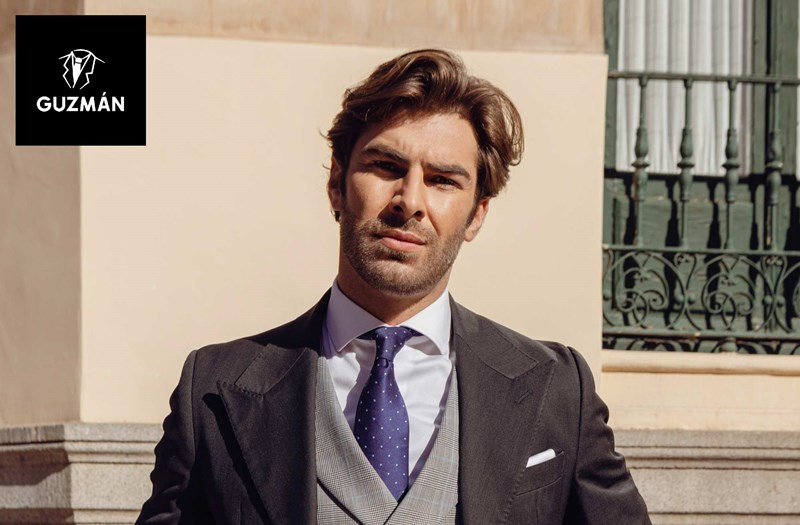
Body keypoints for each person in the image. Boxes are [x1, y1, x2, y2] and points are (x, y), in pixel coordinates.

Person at [136, 48, 651, 524]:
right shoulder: (213, 388)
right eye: (386, 167)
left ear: (476, 214)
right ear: (336, 184)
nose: (410, 201)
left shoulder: (557, 389)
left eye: (443, 180)